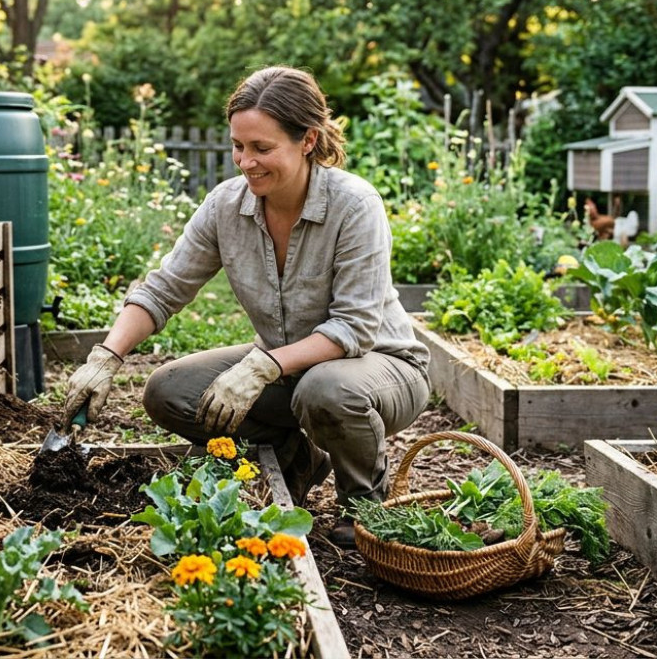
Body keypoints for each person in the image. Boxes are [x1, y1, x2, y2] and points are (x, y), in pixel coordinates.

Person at [61, 65, 430, 547]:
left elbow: (354, 328)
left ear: (308, 140)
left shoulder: (354, 205)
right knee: (169, 392)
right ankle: (298, 457)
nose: (246, 162)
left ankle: (364, 502)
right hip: (286, 369)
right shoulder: (226, 206)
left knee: (325, 390)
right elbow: (164, 289)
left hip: (379, 368)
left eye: (261, 148)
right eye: (238, 146)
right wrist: (106, 357)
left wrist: (262, 367)